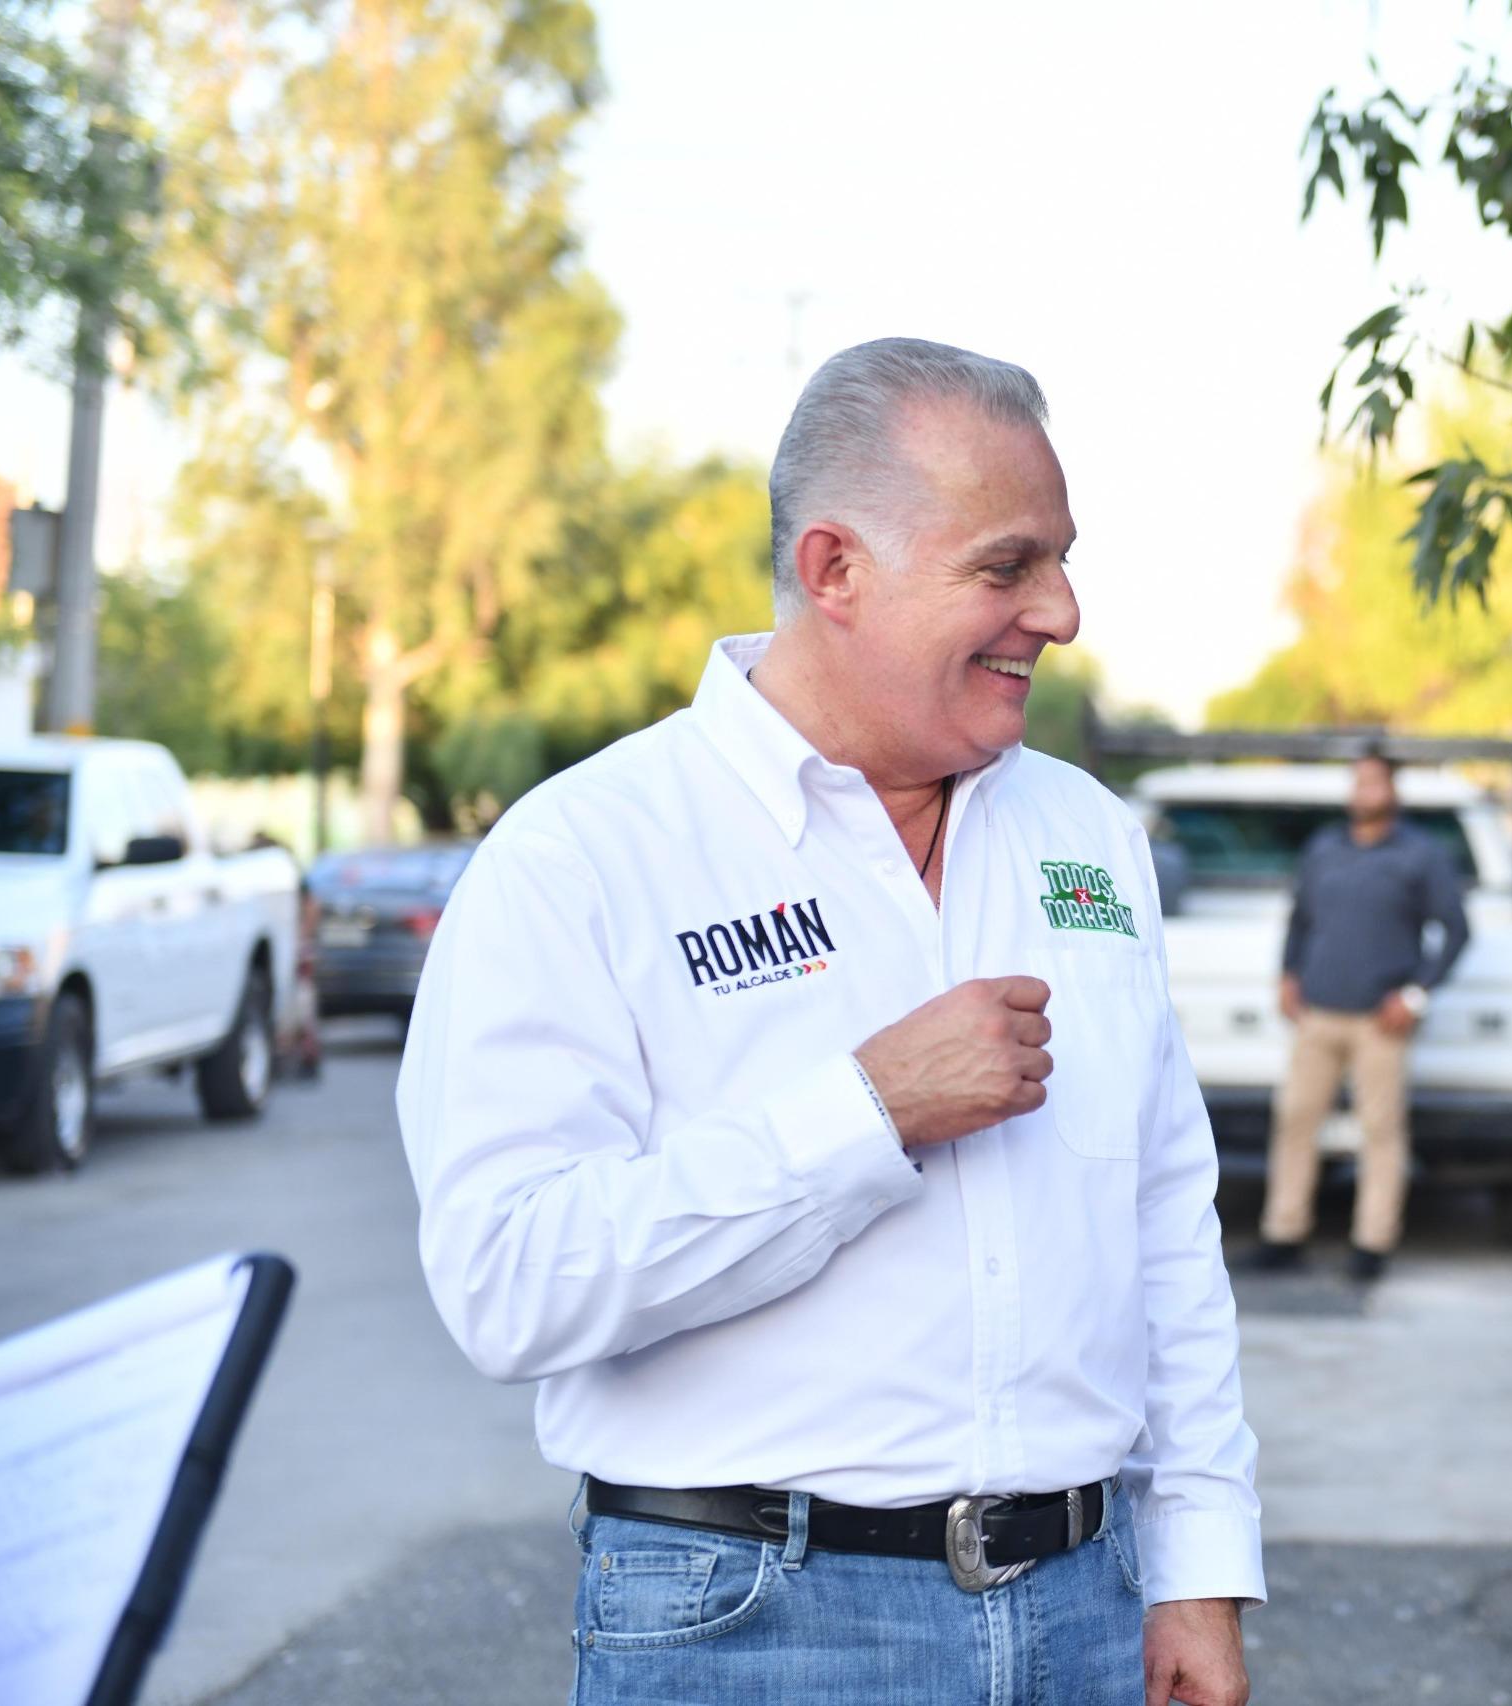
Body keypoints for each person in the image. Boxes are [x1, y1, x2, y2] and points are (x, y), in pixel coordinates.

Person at [399, 339, 1261, 1706]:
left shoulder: (1088, 835)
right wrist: (864, 1112)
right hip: (752, 1622)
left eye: (1062, 559)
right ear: (835, 569)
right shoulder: (585, 853)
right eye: (1007, 564)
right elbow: (511, 1280)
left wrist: (1198, 1569)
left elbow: (1165, 1222)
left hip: (1088, 1606)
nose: (1063, 610)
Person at [1256, 752, 1469, 1281]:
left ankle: (1372, 1245)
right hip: (1317, 1015)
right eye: (1359, 781)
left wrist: (1414, 995)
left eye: (1375, 782)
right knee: (1295, 1122)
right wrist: (1288, 974)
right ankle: (1284, 1234)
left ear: (1393, 791)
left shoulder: (1420, 855)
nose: (1364, 790)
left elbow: (1457, 931)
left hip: (1380, 1022)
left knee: (1381, 1132)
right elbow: (1300, 918)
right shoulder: (1324, 848)